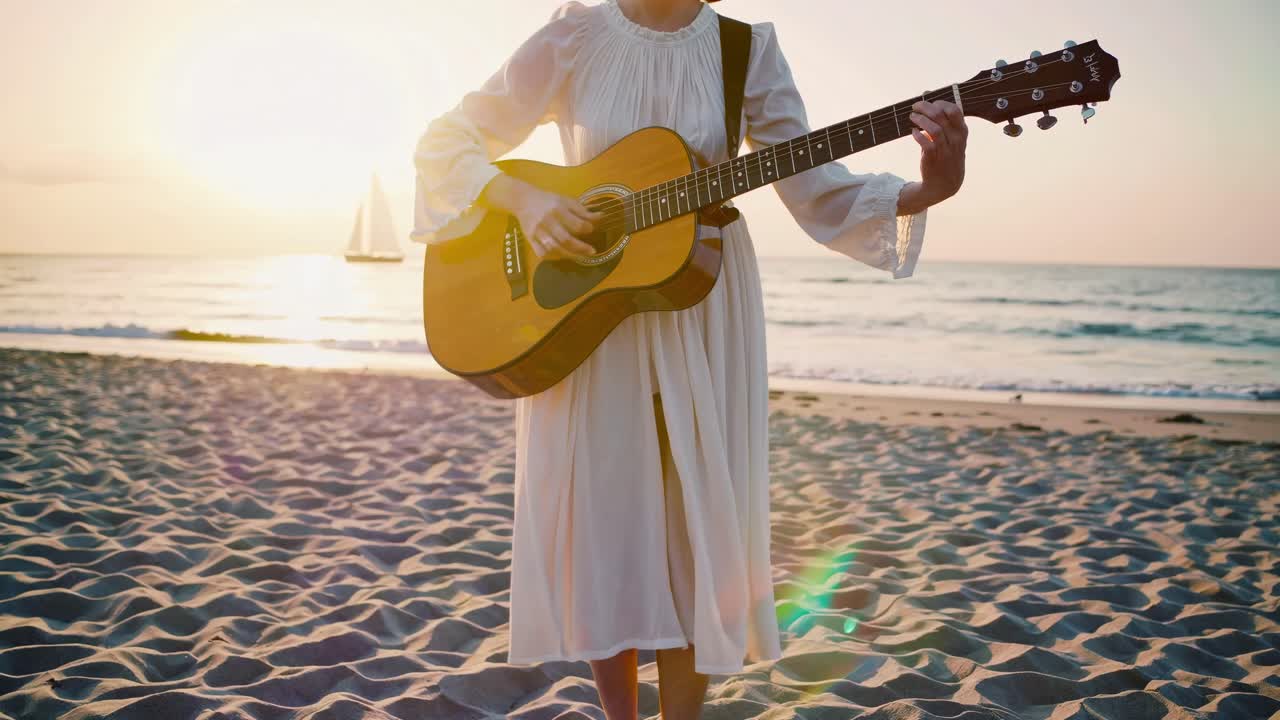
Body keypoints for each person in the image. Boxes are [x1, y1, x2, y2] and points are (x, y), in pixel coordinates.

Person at [411, 1, 967, 717]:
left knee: (696, 520)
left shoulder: (744, 50)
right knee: (601, 517)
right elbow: (447, 139)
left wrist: (933, 186)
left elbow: (816, 189)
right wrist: (522, 198)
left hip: (702, 297)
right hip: (585, 299)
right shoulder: (575, 35)